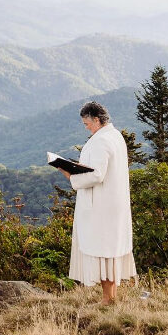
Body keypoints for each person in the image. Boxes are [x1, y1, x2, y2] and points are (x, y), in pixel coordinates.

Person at [56, 101, 137, 304]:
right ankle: (111, 297)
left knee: (103, 251)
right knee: (110, 251)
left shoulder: (102, 141)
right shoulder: (115, 136)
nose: (86, 127)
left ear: (97, 120)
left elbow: (97, 175)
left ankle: (107, 299)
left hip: (102, 205)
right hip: (112, 202)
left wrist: (69, 173)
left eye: (87, 123)